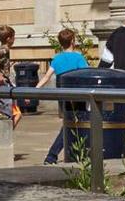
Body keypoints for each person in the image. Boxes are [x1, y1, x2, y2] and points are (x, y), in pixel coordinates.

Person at [38, 28, 89, 164]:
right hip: (77, 95)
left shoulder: (57, 59)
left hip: (62, 96)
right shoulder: (79, 58)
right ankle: (52, 155)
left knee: (69, 123)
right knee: (76, 124)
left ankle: (74, 153)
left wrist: (36, 89)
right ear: (73, 41)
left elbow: (47, 76)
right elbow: (86, 74)